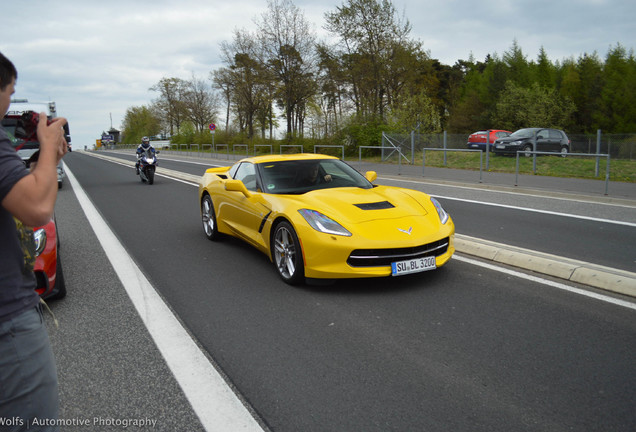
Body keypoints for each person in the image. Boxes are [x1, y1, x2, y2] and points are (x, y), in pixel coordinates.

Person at [0, 51, 67, 431]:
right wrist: (47, 150)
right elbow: (37, 207)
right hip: (7, 319)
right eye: (10, 91)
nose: (10, 101)